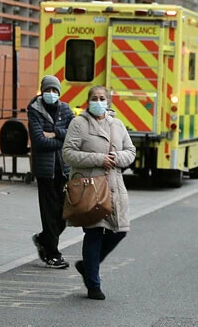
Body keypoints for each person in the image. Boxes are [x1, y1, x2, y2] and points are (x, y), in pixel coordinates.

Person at [62, 86, 136, 300]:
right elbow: (68, 153)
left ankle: (87, 266)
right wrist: (98, 159)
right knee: (94, 233)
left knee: (120, 231)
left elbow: (130, 151)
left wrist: (116, 158)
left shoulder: (117, 124)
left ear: (108, 101)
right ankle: (93, 284)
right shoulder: (79, 124)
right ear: (88, 101)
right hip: (90, 187)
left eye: (102, 98)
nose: (98, 101)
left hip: (114, 186)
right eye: (94, 98)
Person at [27, 75, 75, 270]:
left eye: (55, 91)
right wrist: (62, 140)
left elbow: (75, 134)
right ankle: (53, 255)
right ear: (42, 90)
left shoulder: (65, 109)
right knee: (49, 213)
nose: (51, 94)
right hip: (45, 171)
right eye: (48, 90)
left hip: (64, 169)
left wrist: (55, 133)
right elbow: (39, 141)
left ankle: (43, 239)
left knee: (64, 214)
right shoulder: (34, 110)